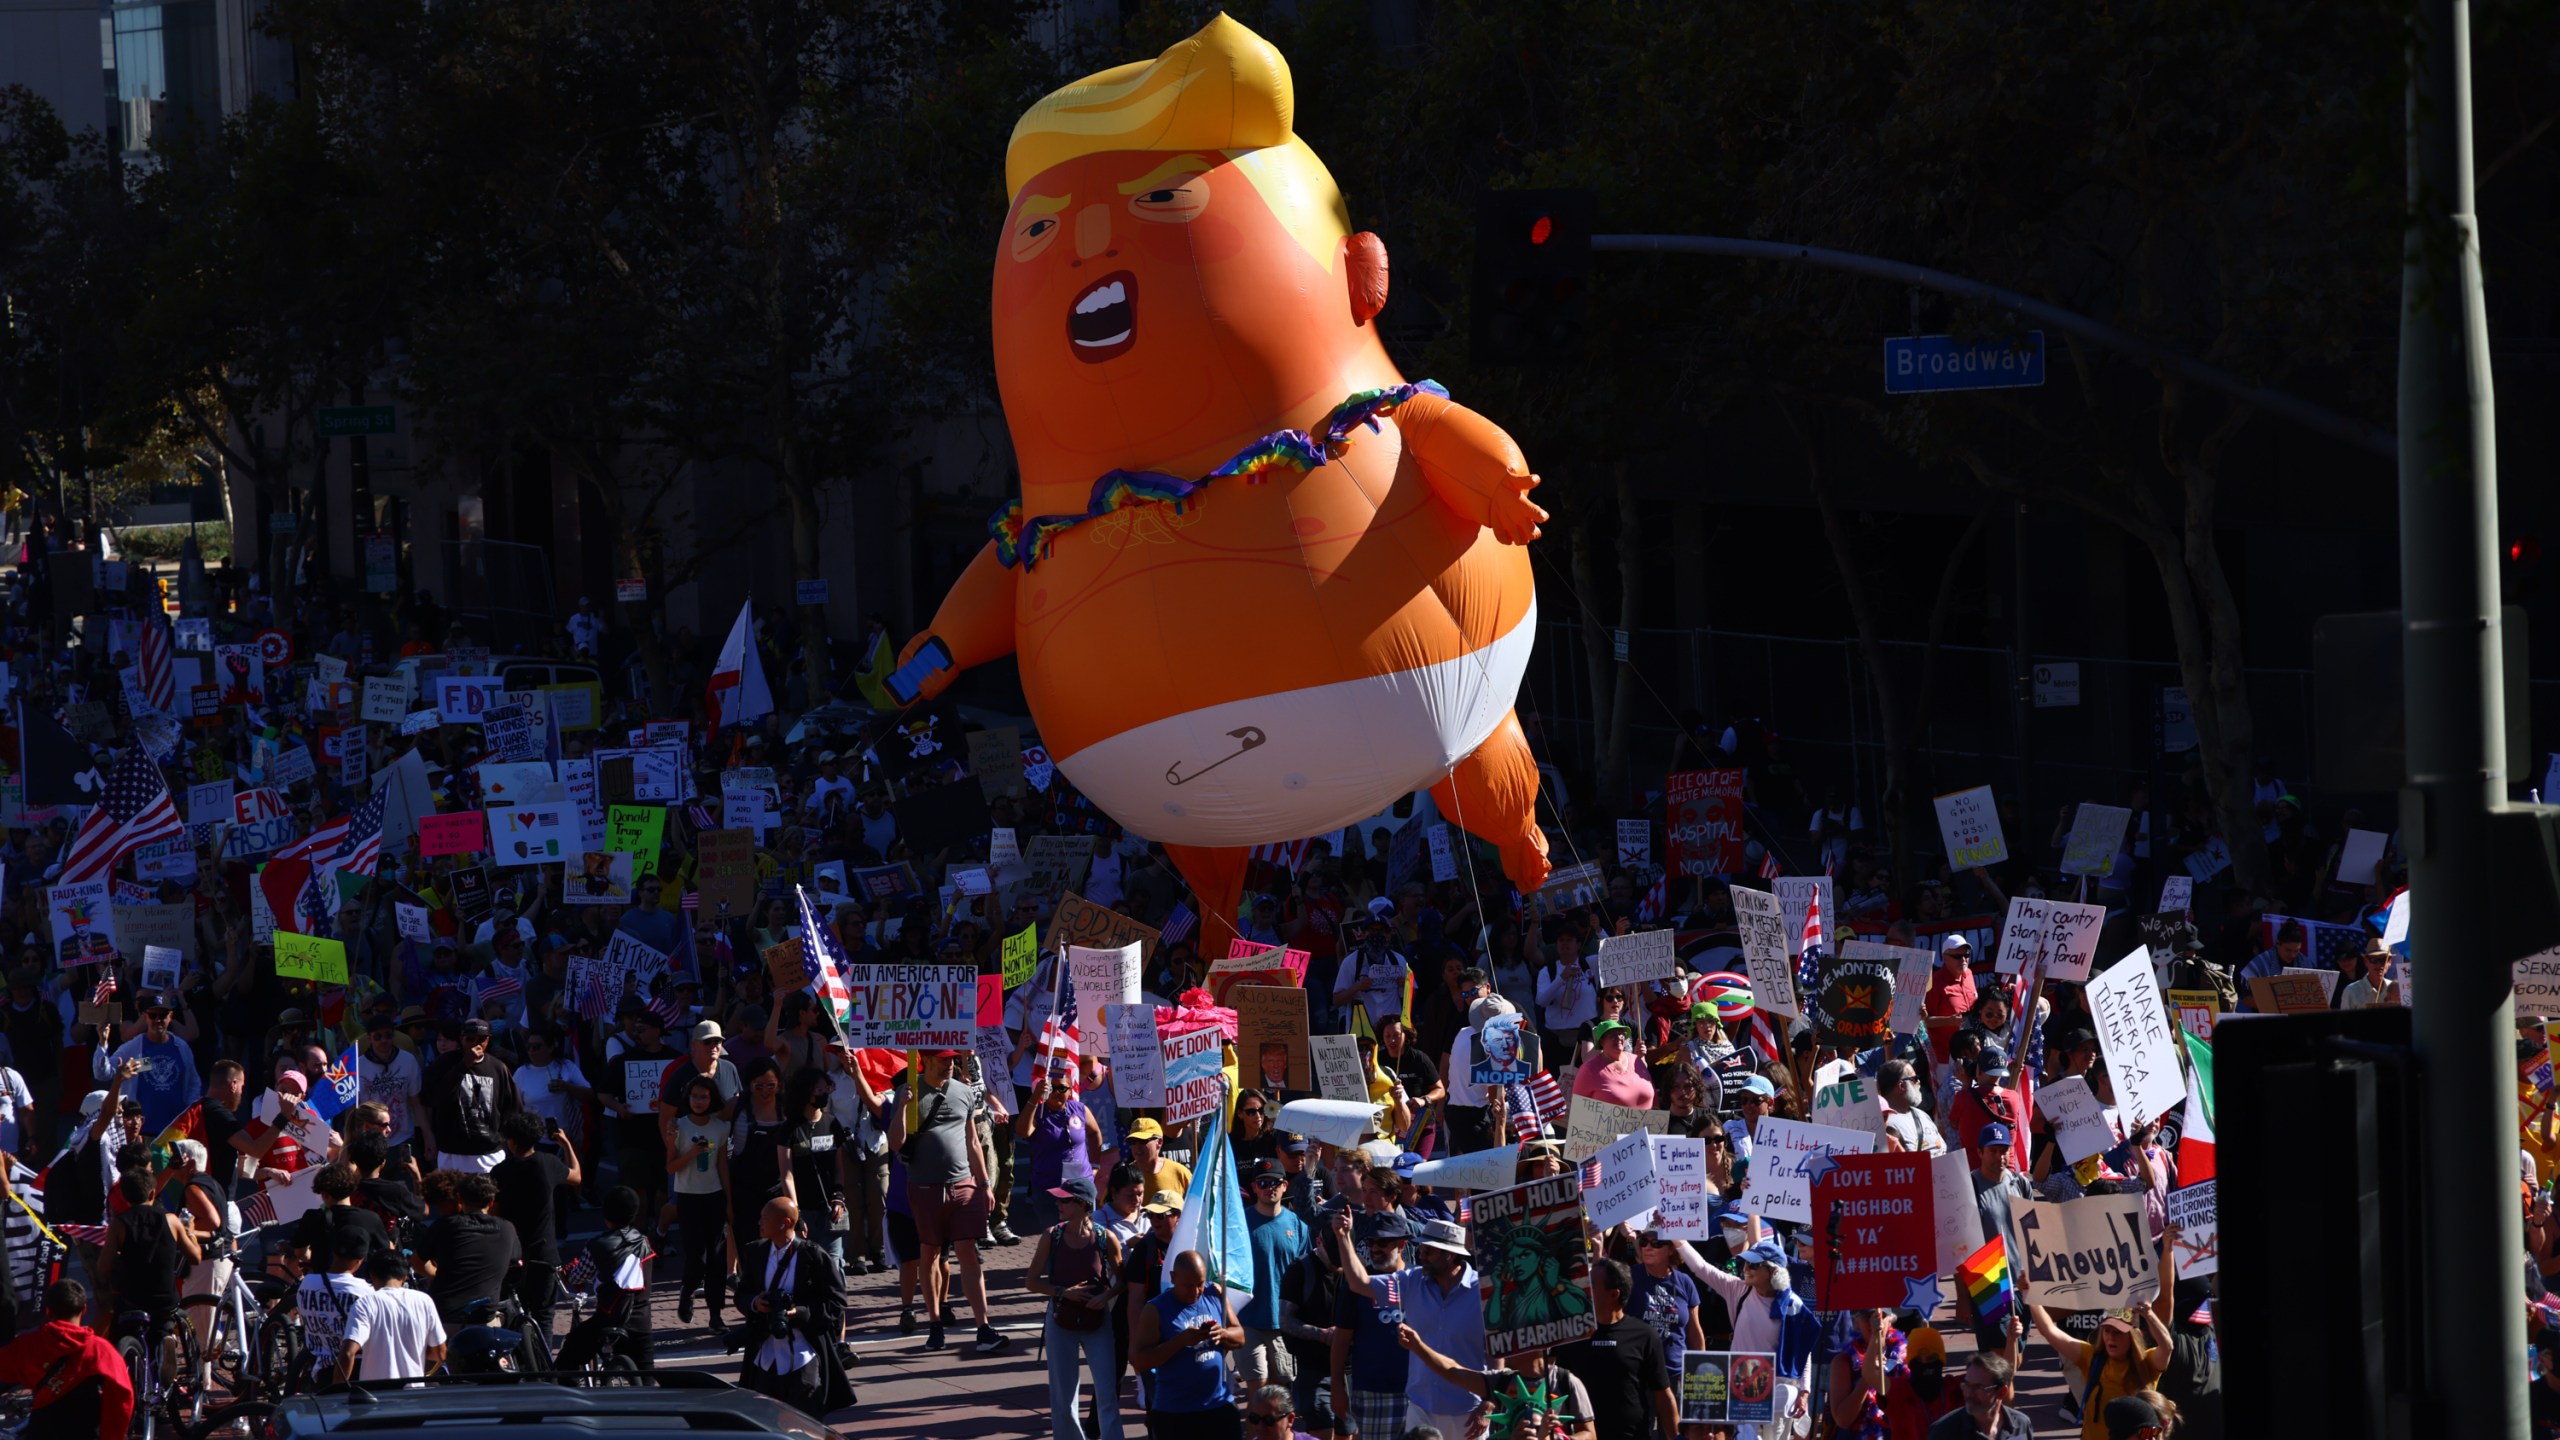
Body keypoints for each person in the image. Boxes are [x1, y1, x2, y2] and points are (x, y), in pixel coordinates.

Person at [886, 1047, 1007, 1355]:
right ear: (925, 1060)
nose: (950, 1064)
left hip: (962, 1185)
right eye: (943, 1060)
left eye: (952, 1059)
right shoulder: (909, 1090)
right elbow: (896, 1143)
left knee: (968, 1252)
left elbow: (972, 1141)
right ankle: (935, 1324)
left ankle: (983, 1327)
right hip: (925, 1189)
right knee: (930, 1253)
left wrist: (984, 1184)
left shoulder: (963, 1091)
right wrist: (901, 1106)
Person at [1332, 1212, 1483, 1440]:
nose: (1420, 1255)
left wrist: (1489, 1403)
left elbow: (1494, 1349)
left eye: (1428, 1251)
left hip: (1468, 1411)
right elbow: (1359, 1283)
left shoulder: (1482, 1292)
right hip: (1420, 1407)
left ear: (1450, 1256)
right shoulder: (1412, 1281)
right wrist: (1343, 1237)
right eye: (1421, 1248)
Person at [1676, 1240, 1820, 1440]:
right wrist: (1679, 1242)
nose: (1746, 1269)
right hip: (1742, 1390)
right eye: (1745, 1263)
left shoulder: (1794, 1306)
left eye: (1754, 1265)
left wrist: (1804, 1393)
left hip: (1778, 1395)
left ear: (1773, 1272)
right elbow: (1701, 1268)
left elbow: (1803, 1353)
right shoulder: (1738, 1290)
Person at [731, 1196, 855, 1418]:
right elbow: (742, 1294)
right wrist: (755, 1303)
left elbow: (837, 1302)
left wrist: (800, 1313)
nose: (759, 1223)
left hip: (803, 1353)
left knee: (805, 1421)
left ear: (785, 1223)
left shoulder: (812, 1255)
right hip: (764, 1355)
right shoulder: (756, 1252)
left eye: (765, 1218)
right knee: (764, 1421)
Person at [1026, 1175, 1124, 1440]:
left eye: (1064, 1200)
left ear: (1081, 1204)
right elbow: (1031, 1281)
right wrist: (1062, 1292)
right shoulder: (1052, 1236)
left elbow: (1122, 1280)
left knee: (1106, 1393)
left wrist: (1104, 1297)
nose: (1058, 1204)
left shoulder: (1105, 1238)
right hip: (1060, 1321)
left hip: (1097, 1321)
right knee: (1063, 1397)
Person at [1549, 1257, 1677, 1440]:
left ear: (1614, 1294)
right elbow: (1555, 1389)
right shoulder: (1573, 1335)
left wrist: (1677, 1438)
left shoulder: (1644, 1335)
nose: (1585, 1290)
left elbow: (1663, 1395)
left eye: (1591, 1285)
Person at [1130, 1250, 1244, 1440]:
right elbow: (1140, 1361)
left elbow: (1240, 1336)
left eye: (1199, 1284)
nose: (1195, 1292)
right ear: (1173, 1278)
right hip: (1176, 1412)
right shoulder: (1155, 1309)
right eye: (1188, 1286)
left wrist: (1222, 1334)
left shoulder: (1214, 1292)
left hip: (1219, 1404)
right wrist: (1180, 1341)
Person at [0, 1281, 131, 1440]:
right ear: (84, 1309)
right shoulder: (100, 1350)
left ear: (48, 1311)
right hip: (87, 1430)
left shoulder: (26, 1346)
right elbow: (121, 1397)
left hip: (42, 1429)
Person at [491, 1109, 579, 1335]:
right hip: (544, 1252)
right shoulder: (547, 1163)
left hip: (512, 1255)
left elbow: (496, 1214)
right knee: (544, 1316)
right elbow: (576, 1176)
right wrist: (566, 1144)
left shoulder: (499, 1171)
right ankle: (545, 1367)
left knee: (513, 1315)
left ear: (511, 1141)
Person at [2026, 1304, 2170, 1440]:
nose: (2111, 1337)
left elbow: (2167, 1347)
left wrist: (2149, 1314)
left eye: (2118, 1332)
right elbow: (2049, 1330)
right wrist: (2031, 1297)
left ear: (2135, 1335)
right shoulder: (2091, 1358)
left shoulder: (2147, 1363)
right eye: (2106, 1330)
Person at [554, 1186, 654, 1372]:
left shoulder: (597, 1245)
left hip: (610, 1320)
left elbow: (578, 1275)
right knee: (648, 1376)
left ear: (606, 1214)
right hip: (642, 1323)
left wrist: (567, 1273)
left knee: (568, 1358)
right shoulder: (645, 1242)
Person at [666, 1073, 734, 1333]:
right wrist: (692, 1153)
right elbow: (671, 1166)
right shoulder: (678, 1127)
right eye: (694, 1096)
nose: (698, 1101)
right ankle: (688, 1289)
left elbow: (723, 1165)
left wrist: (728, 1202)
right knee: (697, 1258)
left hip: (714, 1196)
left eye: (704, 1097)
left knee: (717, 1259)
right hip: (688, 1197)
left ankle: (716, 1315)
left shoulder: (720, 1127)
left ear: (712, 1099)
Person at [417, 1173, 521, 1326]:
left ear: (459, 1198)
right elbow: (515, 1260)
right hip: (483, 1318)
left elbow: (417, 1261)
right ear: (491, 1202)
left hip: (444, 1318)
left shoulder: (446, 1225)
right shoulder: (507, 1228)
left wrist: (435, 1274)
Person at [417, 1019, 522, 1171]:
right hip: (452, 1154)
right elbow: (430, 1097)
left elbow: (512, 1109)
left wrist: (506, 1143)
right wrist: (463, 1065)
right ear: (461, 1039)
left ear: (488, 1040)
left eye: (481, 1039)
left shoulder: (498, 1068)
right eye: (470, 1039)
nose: (476, 1044)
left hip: (489, 1154)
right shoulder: (444, 1063)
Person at [1018, 1068, 1109, 1236]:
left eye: (1062, 1088)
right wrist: (1034, 1097)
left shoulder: (1080, 1109)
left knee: (1085, 1236)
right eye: (1052, 1088)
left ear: (1070, 1090)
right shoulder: (1038, 1113)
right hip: (1048, 1189)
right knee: (1056, 1239)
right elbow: (1023, 1132)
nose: (1057, 1093)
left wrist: (1095, 1165)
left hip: (1080, 1188)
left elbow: (1095, 1133)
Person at [341, 1253, 447, 1382]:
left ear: (372, 1276)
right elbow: (440, 1353)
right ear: (404, 1277)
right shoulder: (424, 1301)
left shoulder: (364, 1304)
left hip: (374, 1395)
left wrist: (335, 1393)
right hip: (414, 1394)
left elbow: (348, 1352)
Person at [297, 1229, 376, 1386]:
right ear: (360, 1260)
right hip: (356, 1369)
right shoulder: (366, 1291)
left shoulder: (307, 1284)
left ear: (333, 1253)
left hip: (320, 1368)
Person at [1924, 1353, 2031, 1440]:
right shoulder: (1944, 1431)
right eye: (1966, 1385)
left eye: (1978, 1387)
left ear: (2002, 1392)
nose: (1969, 1393)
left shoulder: (2021, 1424)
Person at [1570, 1019, 1655, 1109]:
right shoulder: (1589, 1069)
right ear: (1602, 1041)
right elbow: (1578, 1109)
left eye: (1621, 1034)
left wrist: (1641, 1057)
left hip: (1644, 1122)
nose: (1619, 1037)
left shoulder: (1636, 1061)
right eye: (1613, 1035)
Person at [1878, 1059, 1946, 1157]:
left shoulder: (1921, 1114)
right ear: (1901, 1085)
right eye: (1914, 1079)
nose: (1918, 1082)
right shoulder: (1886, 1124)